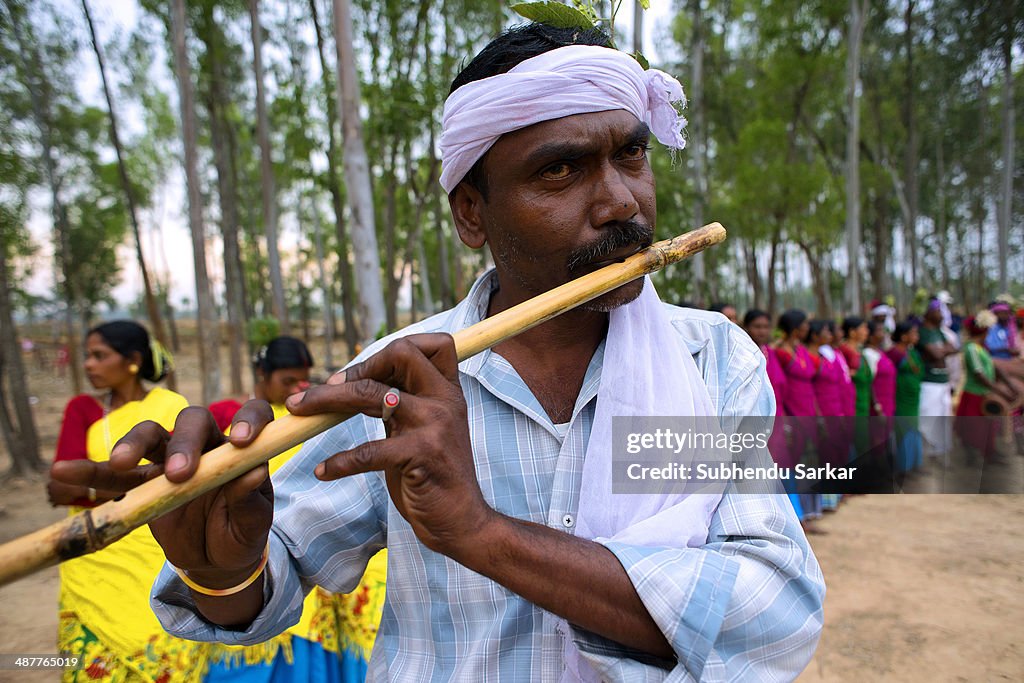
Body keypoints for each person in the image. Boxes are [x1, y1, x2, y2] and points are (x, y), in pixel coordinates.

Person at [55, 23, 824, 681]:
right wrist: (221, 562)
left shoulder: (706, 361)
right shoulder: (400, 376)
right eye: (559, 169)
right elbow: (266, 575)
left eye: (630, 155)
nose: (621, 201)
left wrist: (480, 533)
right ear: (471, 213)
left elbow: (767, 610)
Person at [205, 337, 387, 682]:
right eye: (288, 381)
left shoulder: (312, 419)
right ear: (262, 373)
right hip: (251, 552)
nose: (298, 387)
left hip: (308, 555)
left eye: (303, 380)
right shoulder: (232, 419)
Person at [47, 320, 209, 682]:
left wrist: (97, 488)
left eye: (99, 355)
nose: (88, 364)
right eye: (87, 356)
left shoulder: (169, 405)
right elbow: (57, 485)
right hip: (94, 558)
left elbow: (177, 474)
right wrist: (132, 485)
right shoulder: (83, 410)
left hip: (156, 549)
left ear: (132, 360)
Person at [918, 298, 957, 465]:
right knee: (928, 416)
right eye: (938, 311)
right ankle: (925, 453)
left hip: (943, 381)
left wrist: (940, 350)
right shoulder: (923, 332)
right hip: (929, 381)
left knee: (943, 416)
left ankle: (938, 452)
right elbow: (936, 355)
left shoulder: (939, 332)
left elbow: (953, 348)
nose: (941, 315)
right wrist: (941, 351)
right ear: (929, 313)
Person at [886, 322, 924, 474]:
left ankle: (916, 463)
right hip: (901, 396)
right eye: (913, 333)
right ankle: (904, 465)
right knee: (904, 427)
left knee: (914, 426)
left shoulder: (912, 352)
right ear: (903, 336)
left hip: (913, 397)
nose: (917, 336)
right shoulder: (894, 353)